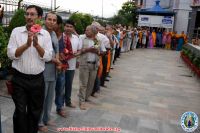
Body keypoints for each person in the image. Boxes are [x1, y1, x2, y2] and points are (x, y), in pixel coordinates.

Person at [7, 5, 53, 133]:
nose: (29, 17)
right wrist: (27, 45)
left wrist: (37, 45)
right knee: (20, 111)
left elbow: (48, 57)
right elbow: (11, 54)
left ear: (39, 17)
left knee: (35, 111)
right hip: (19, 79)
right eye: (27, 14)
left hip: (37, 80)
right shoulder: (16, 31)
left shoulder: (45, 34)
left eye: (32, 14)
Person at [38, 12, 59, 132]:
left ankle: (47, 117)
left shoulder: (54, 34)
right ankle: (39, 122)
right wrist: (55, 60)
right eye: (49, 19)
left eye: (54, 20)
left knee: (50, 97)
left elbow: (57, 49)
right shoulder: (41, 33)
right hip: (44, 70)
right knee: (42, 97)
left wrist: (58, 61)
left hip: (53, 70)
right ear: (45, 20)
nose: (51, 22)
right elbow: (41, 53)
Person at [78, 25, 106, 110]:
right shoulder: (82, 38)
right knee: (83, 84)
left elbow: (104, 52)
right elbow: (78, 51)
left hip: (94, 65)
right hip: (84, 64)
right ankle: (81, 101)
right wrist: (88, 49)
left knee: (91, 84)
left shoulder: (97, 40)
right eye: (86, 30)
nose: (85, 31)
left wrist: (98, 52)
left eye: (88, 30)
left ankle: (86, 97)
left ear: (93, 32)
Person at [62, 20, 80, 108]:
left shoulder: (76, 38)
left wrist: (77, 57)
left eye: (71, 27)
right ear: (64, 27)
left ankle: (68, 102)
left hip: (71, 66)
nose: (68, 28)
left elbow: (79, 50)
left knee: (69, 85)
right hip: (61, 66)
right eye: (67, 26)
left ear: (73, 28)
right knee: (60, 86)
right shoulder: (60, 37)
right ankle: (60, 105)